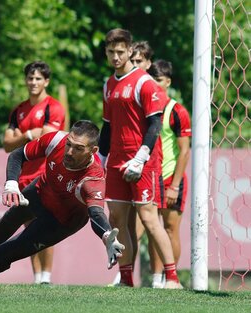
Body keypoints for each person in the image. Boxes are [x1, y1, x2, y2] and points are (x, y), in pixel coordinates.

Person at [0, 120, 124, 292]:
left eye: (78, 149)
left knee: (4, 252)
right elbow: (17, 155)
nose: (69, 152)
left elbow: (96, 213)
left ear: (93, 151)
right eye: (69, 144)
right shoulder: (55, 140)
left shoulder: (93, 178)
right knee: (7, 221)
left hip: (61, 221)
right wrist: (11, 184)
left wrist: (106, 235)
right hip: (40, 191)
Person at [97, 28, 182, 288]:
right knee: (116, 221)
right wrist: (100, 158)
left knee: (148, 218)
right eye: (111, 52)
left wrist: (141, 157)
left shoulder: (144, 82)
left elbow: (155, 124)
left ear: (130, 50)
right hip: (116, 161)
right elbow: (107, 126)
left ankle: (172, 278)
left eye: (120, 52)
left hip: (143, 163)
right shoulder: (108, 85)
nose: (115, 56)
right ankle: (126, 280)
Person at [2, 61, 66, 284]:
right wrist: (29, 133)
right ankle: (36, 276)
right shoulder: (18, 110)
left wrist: (23, 135)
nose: (33, 82)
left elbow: (49, 137)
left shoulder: (53, 107)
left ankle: (45, 277)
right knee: (28, 228)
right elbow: (7, 144)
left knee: (45, 226)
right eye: (30, 78)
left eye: (38, 78)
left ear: (46, 81)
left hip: (45, 175)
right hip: (23, 176)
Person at [112, 40, 156, 286]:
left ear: (149, 64)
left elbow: (164, 135)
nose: (136, 65)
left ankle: (164, 277)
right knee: (124, 222)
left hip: (151, 167)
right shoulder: (114, 85)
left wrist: (141, 158)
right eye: (134, 60)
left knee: (154, 222)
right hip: (124, 163)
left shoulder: (151, 89)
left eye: (141, 61)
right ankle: (127, 274)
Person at [148, 60, 191, 288]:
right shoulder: (146, 108)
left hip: (170, 178)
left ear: (168, 82)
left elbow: (184, 150)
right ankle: (157, 280)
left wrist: (174, 185)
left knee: (170, 228)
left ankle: (170, 278)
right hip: (151, 177)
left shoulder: (177, 111)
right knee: (153, 229)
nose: (155, 84)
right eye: (152, 79)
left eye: (159, 80)